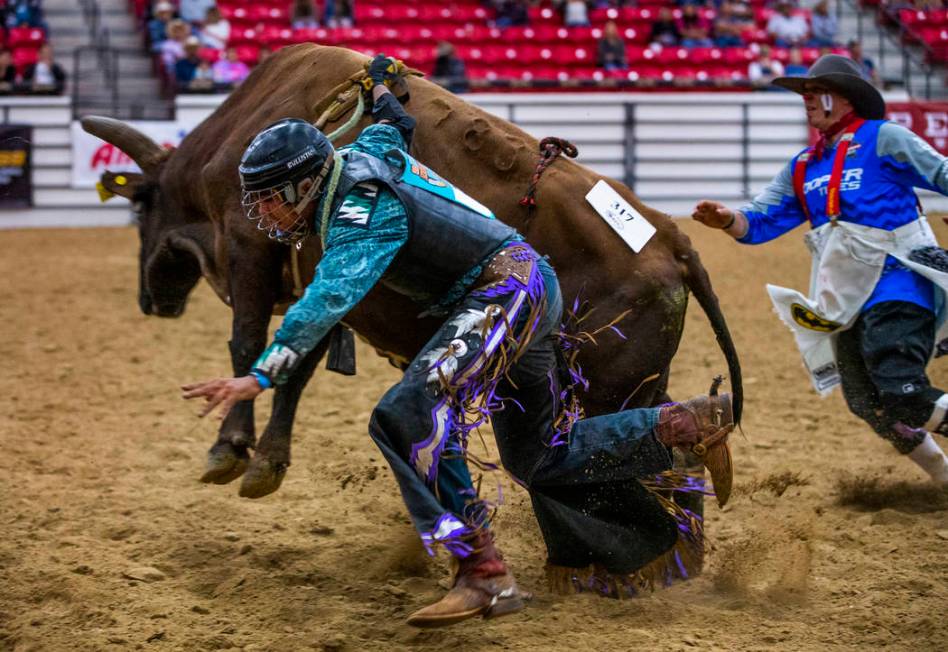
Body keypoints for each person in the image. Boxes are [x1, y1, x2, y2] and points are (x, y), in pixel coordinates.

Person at [183, 54, 736, 628]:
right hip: (525, 287)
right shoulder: (362, 157)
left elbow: (328, 298)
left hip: (503, 295)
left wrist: (262, 373)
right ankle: (682, 424)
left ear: (303, 183)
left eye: (270, 196)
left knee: (406, 413)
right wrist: (381, 89)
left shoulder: (359, 211)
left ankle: (481, 572)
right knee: (539, 454)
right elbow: (393, 124)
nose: (263, 212)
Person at [691, 54, 948, 490]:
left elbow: (940, 171)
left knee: (900, 390)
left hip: (898, 280)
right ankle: (944, 477)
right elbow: (761, 219)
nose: (806, 101)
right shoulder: (804, 165)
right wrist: (727, 218)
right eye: (805, 94)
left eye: (815, 92)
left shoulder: (883, 138)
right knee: (868, 403)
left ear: (845, 98)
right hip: (845, 296)